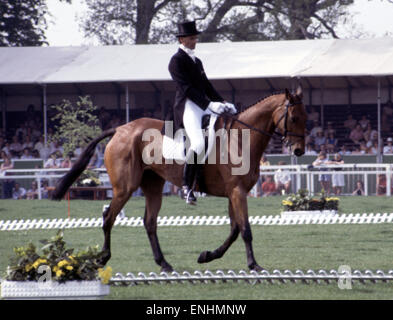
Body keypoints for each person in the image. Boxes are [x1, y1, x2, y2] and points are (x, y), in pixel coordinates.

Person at [168, 21, 236, 204]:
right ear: (182, 39)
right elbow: (187, 89)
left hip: (203, 106)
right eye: (192, 38)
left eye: (195, 37)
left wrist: (222, 102)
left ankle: (205, 179)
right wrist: (210, 105)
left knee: (217, 136)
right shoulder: (176, 61)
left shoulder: (197, 61)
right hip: (188, 106)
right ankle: (186, 186)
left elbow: (207, 86)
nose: (195, 41)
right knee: (197, 143)